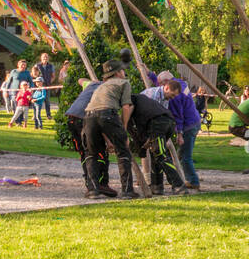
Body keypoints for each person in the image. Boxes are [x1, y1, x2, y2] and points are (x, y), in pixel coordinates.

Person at [81, 60, 137, 199]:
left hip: (88, 116)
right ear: (118, 72)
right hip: (108, 114)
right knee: (123, 151)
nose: (124, 73)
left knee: (92, 152)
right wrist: (123, 130)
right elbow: (125, 107)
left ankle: (93, 190)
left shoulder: (101, 86)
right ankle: (127, 190)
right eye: (123, 70)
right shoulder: (124, 83)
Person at [127, 87, 186, 195]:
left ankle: (178, 185)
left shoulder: (130, 103)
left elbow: (135, 131)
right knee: (156, 152)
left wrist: (141, 150)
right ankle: (157, 186)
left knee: (160, 154)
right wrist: (143, 148)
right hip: (169, 122)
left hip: (158, 123)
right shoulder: (142, 100)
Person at [65, 77, 103, 197]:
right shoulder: (110, 90)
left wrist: (93, 82)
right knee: (93, 151)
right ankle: (95, 186)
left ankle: (92, 183)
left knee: (84, 152)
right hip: (85, 119)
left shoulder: (91, 85)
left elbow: (80, 80)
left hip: (72, 117)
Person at [36, 52, 55, 120]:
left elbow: (53, 76)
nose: (45, 58)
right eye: (44, 57)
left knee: (47, 101)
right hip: (39, 87)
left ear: (48, 58)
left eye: (46, 57)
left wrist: (50, 82)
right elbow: (33, 74)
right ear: (41, 58)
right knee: (37, 101)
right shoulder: (37, 65)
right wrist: (37, 82)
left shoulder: (51, 66)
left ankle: (48, 115)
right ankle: (36, 115)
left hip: (47, 86)